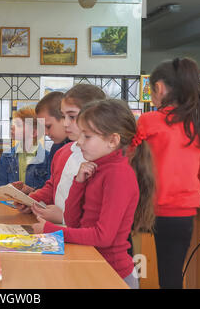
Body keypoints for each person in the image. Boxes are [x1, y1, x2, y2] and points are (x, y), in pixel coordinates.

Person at [32, 99, 157, 289]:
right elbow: (73, 221)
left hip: (113, 274)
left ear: (113, 140)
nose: (79, 142)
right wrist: (79, 183)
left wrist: (51, 231)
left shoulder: (118, 174)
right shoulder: (97, 167)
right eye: (80, 135)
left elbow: (103, 236)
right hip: (93, 265)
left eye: (87, 136)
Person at [134, 58, 200, 289]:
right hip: (183, 214)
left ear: (159, 88)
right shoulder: (197, 125)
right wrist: (184, 195)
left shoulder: (149, 121)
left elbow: (127, 162)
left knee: (125, 258)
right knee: (171, 276)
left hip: (149, 209)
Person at [17, 85, 106, 224]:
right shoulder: (62, 152)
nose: (65, 123)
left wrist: (64, 217)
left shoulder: (104, 157)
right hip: (61, 231)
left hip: (85, 239)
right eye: (64, 116)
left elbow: (98, 218)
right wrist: (32, 200)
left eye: (72, 116)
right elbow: (53, 186)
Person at [13, 91, 71, 194]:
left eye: (48, 126)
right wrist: (34, 195)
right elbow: (52, 187)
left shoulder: (81, 149)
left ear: (65, 118)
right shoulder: (56, 148)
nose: (45, 132)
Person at [0, 106, 50, 189]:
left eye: (19, 125)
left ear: (34, 132)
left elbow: (49, 190)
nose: (12, 127)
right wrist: (9, 189)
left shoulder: (48, 158)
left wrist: (32, 191)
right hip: (10, 201)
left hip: (35, 201)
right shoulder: (6, 156)